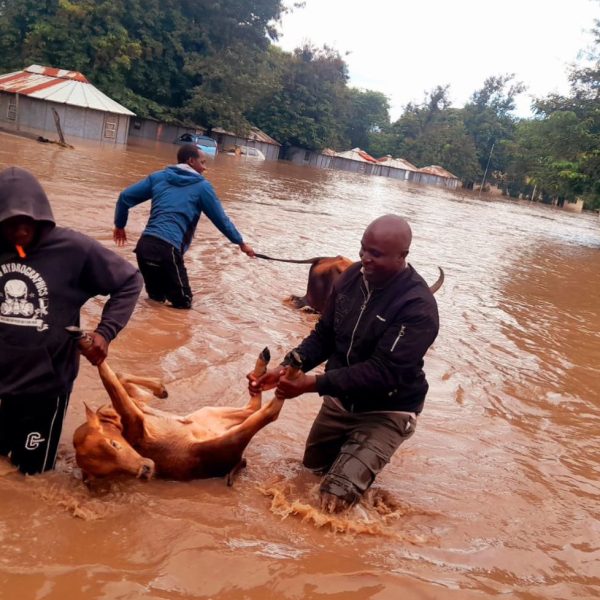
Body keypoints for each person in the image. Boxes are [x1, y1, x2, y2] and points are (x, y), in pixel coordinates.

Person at [248, 215, 440, 513]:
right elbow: (325, 335)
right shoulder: (350, 278)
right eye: (363, 249)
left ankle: (358, 481)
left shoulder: (418, 307)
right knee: (308, 475)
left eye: (376, 254)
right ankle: (357, 475)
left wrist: (313, 384)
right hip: (339, 402)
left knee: (332, 500)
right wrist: (288, 367)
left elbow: (383, 372)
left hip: (386, 410)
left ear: (402, 256)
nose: (365, 259)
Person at [0, 166, 143, 475]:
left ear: (41, 215)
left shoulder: (73, 249)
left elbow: (129, 281)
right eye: (10, 224)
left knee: (31, 476)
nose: (20, 232)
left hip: (45, 387)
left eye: (26, 222)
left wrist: (104, 333)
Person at [113, 144, 255, 309]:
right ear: (191, 161)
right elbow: (221, 220)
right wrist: (241, 243)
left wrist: (120, 225)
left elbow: (124, 197)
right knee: (184, 305)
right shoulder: (202, 187)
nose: (205, 168)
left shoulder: (158, 177)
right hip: (168, 250)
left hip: (145, 247)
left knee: (155, 302)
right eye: (203, 162)